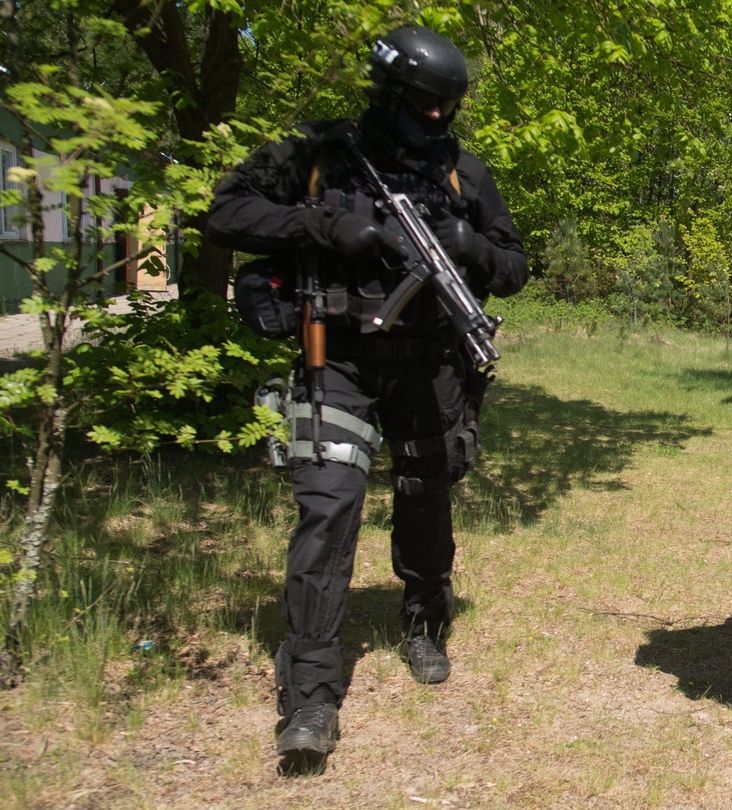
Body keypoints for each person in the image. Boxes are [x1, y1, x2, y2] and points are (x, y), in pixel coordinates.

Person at [204, 26, 528, 768]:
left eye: (449, 106)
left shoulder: (462, 176)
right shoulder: (322, 156)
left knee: (427, 495)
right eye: (424, 103)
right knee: (326, 512)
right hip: (338, 358)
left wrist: (466, 244)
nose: (437, 118)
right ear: (388, 88)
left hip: (430, 366)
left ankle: (424, 623)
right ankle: (311, 695)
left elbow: (513, 266)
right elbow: (225, 212)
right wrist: (321, 226)